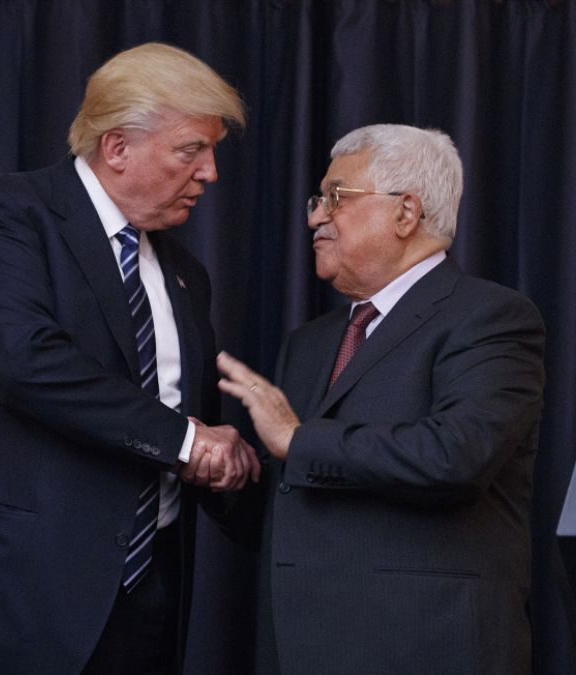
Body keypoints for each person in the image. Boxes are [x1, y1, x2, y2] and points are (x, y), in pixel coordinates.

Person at [0, 43, 260, 675]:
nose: (210, 173)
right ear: (118, 147)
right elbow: (23, 361)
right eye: (192, 150)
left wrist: (230, 466)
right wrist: (188, 442)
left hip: (142, 599)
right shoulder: (6, 214)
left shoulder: (185, 273)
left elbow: (183, 424)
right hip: (5, 592)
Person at [217, 124, 545, 674]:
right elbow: (294, 501)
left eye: (336, 197)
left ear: (406, 212)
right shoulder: (309, 343)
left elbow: (455, 456)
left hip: (425, 648)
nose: (315, 217)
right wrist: (225, 475)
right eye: (317, 200)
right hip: (304, 648)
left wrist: (299, 440)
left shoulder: (491, 318)